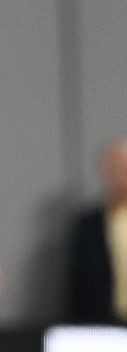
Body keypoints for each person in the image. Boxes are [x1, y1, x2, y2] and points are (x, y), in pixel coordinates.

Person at [69, 137, 127, 325]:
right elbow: (78, 283)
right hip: (105, 323)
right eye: (116, 168)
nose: (122, 175)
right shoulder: (89, 224)